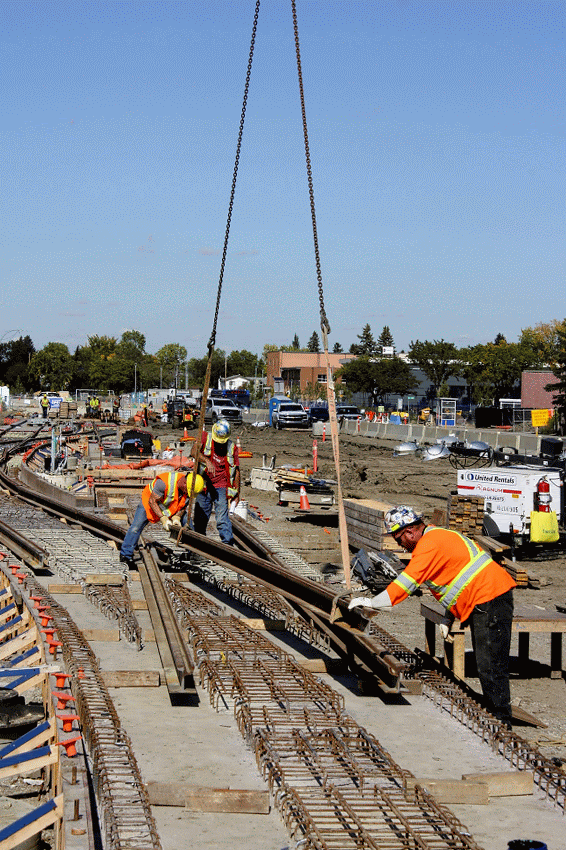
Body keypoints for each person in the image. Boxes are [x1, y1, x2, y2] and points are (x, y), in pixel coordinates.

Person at [348, 505, 516, 727]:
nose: (400, 546)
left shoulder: (428, 545)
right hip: (486, 596)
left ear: (409, 532)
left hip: (489, 597)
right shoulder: (438, 536)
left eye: (399, 540)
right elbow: (457, 577)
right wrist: (449, 616)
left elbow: (406, 583)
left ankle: (501, 722)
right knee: (488, 662)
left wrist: (373, 603)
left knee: (490, 664)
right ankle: (497, 714)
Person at [119, 470, 204, 565]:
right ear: (184, 484)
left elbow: (183, 505)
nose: (187, 494)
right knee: (136, 527)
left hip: (170, 506)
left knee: (188, 526)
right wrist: (163, 519)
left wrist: (177, 517)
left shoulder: (188, 489)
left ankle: (193, 554)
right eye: (187, 491)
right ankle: (125, 555)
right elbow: (152, 501)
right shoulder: (163, 482)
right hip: (150, 502)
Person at [192, 419, 240, 545]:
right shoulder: (204, 437)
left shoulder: (232, 447)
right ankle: (199, 545)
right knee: (200, 519)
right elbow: (193, 452)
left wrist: (237, 494)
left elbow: (237, 471)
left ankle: (227, 545)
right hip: (204, 485)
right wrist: (206, 460)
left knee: (222, 519)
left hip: (221, 487)